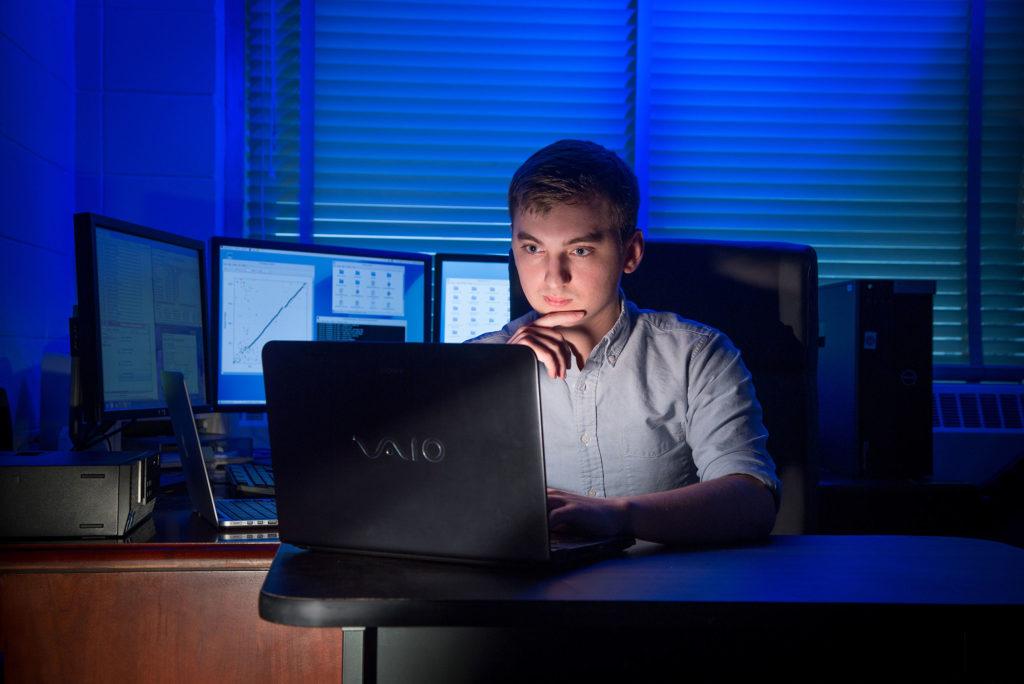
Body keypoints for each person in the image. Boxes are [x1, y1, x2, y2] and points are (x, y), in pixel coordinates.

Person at [469, 139, 779, 546]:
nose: (552, 277)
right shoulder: (478, 363)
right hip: (530, 600)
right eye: (533, 248)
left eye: (579, 250)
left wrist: (621, 516)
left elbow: (753, 500)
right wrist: (494, 382)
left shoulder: (697, 356)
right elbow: (424, 504)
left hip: (662, 595)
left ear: (630, 253)